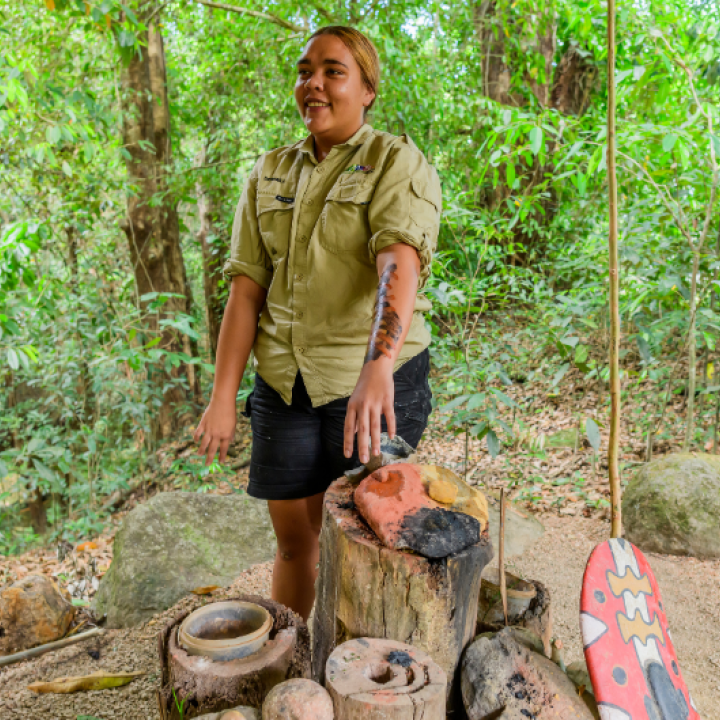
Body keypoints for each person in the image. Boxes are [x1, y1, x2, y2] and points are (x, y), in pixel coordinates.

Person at [194, 26, 442, 621]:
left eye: (333, 71)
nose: (314, 84)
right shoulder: (270, 172)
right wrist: (223, 397)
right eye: (306, 71)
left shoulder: (394, 161)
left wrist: (378, 366)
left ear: (367, 90)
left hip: (370, 381)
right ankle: (296, 663)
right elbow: (247, 292)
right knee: (295, 539)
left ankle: (367, 676)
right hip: (283, 384)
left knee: (370, 541)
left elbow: (397, 264)